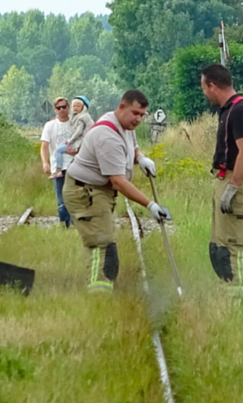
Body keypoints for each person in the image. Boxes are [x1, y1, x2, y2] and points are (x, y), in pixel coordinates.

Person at [64, 89, 169, 292]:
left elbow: (133, 146)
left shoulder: (125, 125)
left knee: (106, 239)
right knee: (100, 243)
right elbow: (118, 182)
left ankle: (103, 287)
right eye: (135, 113)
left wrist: (140, 158)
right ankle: (98, 293)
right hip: (85, 192)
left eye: (142, 115)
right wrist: (150, 205)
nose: (138, 119)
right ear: (122, 107)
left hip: (98, 191)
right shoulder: (107, 136)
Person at [200, 64, 243, 297]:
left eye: (204, 87)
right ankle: (227, 292)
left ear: (212, 85)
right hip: (226, 178)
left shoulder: (241, 110)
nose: (204, 92)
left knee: (237, 245)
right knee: (221, 245)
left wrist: (233, 187)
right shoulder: (228, 110)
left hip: (239, 182)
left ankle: (239, 298)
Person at [40, 97, 75, 228]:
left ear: (68, 107)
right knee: (61, 199)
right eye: (58, 108)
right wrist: (45, 162)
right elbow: (44, 146)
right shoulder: (50, 125)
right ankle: (64, 225)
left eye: (64, 107)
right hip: (58, 167)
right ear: (55, 109)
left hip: (74, 165)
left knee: (74, 196)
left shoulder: (75, 123)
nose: (62, 110)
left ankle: (74, 224)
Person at [54, 96, 94, 171]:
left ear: (83, 107)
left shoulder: (81, 118)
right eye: (74, 106)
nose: (75, 108)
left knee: (59, 150)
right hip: (84, 144)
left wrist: (70, 141)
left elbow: (78, 132)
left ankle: (58, 169)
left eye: (78, 106)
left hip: (80, 143)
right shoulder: (79, 116)